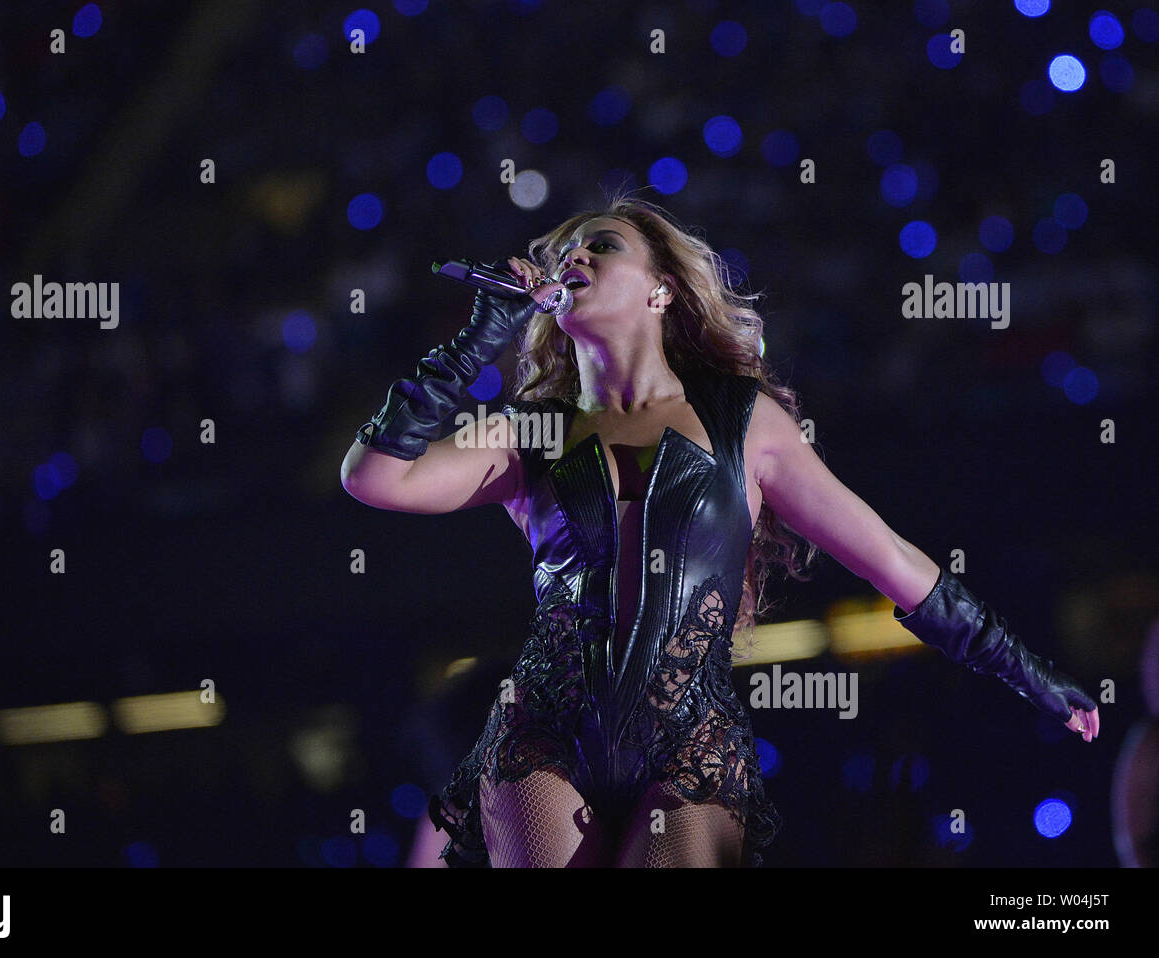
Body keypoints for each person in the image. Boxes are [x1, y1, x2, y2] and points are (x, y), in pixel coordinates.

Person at [340, 191, 1101, 868]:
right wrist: (476, 342)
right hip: (543, 729)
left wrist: (1026, 671)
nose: (571, 257)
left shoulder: (744, 422)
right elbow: (374, 477)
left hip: (688, 737)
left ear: (663, 289)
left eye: (600, 245)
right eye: (558, 254)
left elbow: (890, 559)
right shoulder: (531, 431)